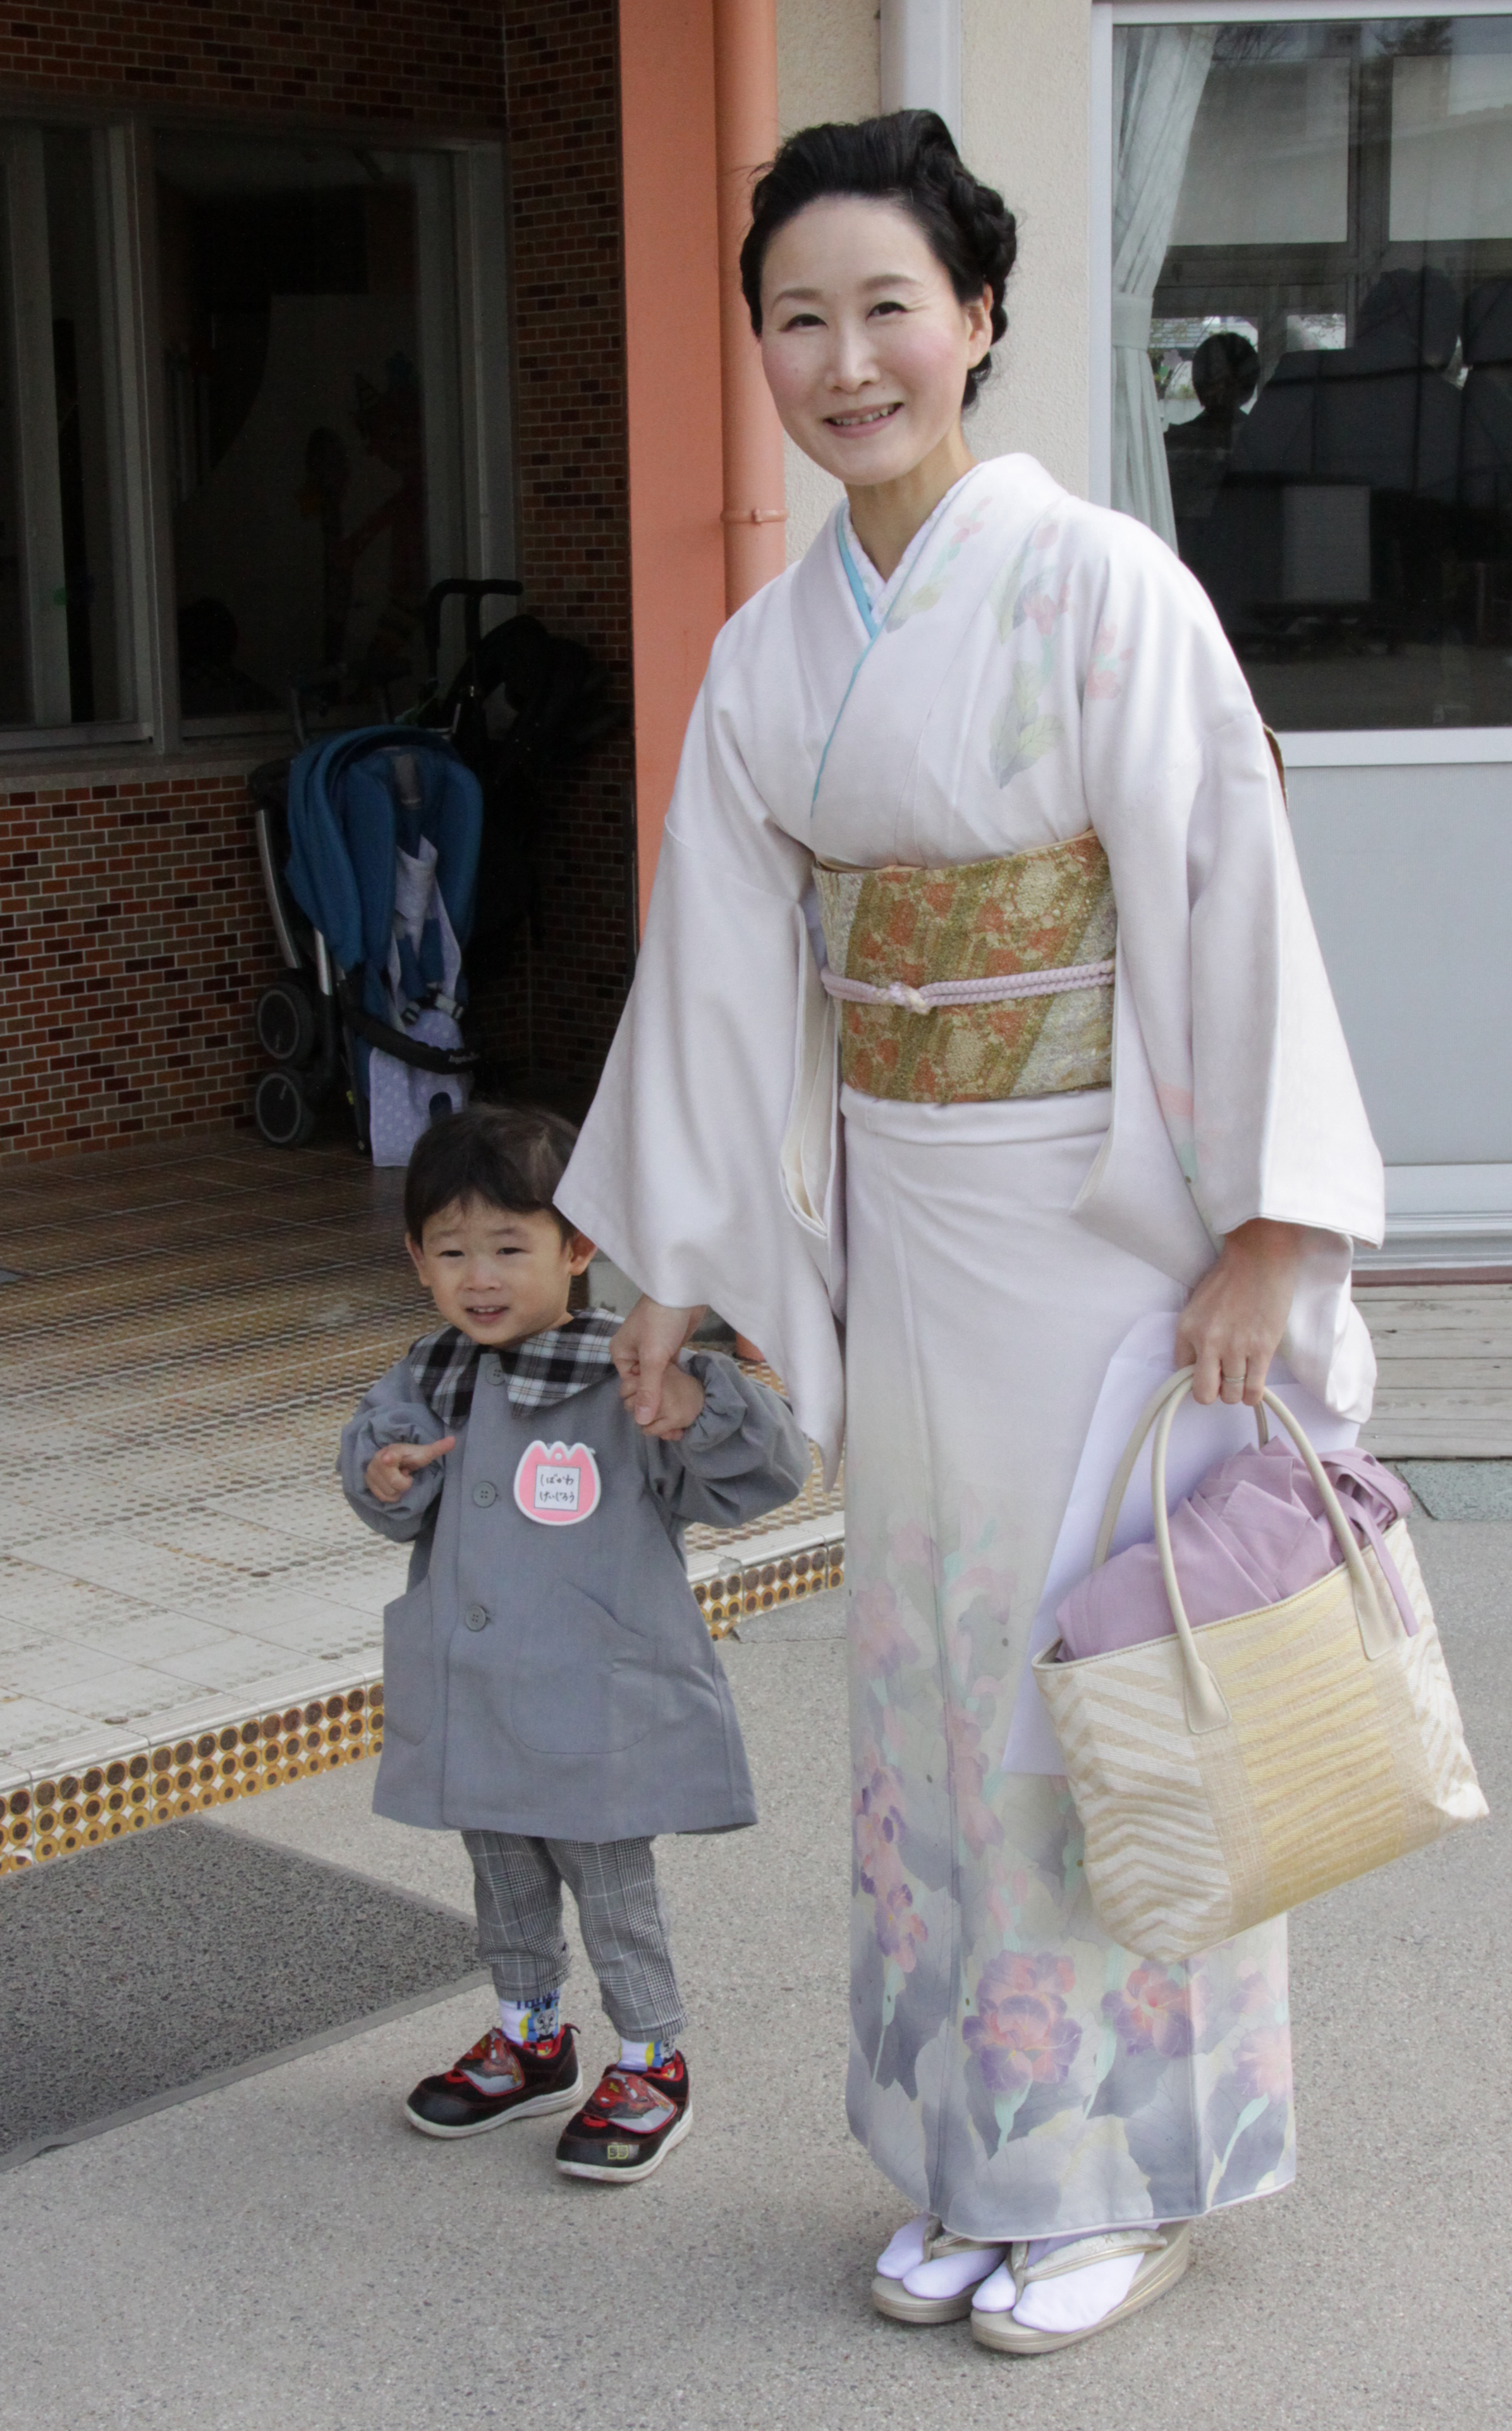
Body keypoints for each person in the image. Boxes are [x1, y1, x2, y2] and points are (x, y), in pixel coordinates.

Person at [558, 114, 1383, 2343]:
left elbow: (1223, 896)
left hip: (1105, 1232)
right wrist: (679, 1265)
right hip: (910, 1224)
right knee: (924, 1686)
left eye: (887, 307)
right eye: (798, 320)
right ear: (762, 348)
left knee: (1089, 1681)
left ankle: (1123, 2163)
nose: (846, 359)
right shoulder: (770, 653)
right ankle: (965, 2137)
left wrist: (1267, 1230)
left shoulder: (1100, 583)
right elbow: (722, 972)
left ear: (984, 316)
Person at [339, 1103, 809, 2183]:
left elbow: (764, 1476)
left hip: (593, 1714)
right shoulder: (430, 1375)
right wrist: (382, 1476)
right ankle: (531, 2036)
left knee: (611, 1891)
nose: (482, 1275)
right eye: (453, 1251)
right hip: (483, 1703)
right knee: (502, 1880)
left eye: (511, 1245)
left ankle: (651, 2060)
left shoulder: (623, 1377)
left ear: (579, 1247)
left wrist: (696, 1403)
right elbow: (387, 1489)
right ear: (417, 1259)